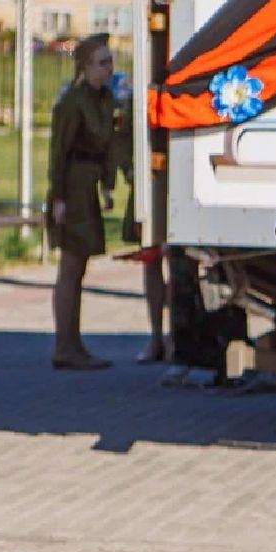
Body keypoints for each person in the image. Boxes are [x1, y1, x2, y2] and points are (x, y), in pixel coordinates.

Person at [46, 34, 118, 370]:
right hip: (72, 187)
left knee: (80, 267)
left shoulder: (103, 99)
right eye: (102, 62)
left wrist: (106, 184)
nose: (109, 68)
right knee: (71, 267)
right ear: (85, 66)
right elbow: (59, 151)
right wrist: (58, 196)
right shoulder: (73, 102)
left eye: (110, 61)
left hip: (87, 185)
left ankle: (73, 344)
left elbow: (106, 144)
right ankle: (65, 345)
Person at [108, 71, 168, 364]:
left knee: (186, 266)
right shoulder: (138, 91)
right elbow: (122, 136)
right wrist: (129, 170)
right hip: (152, 187)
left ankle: (181, 340)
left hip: (178, 186)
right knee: (152, 261)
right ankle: (156, 337)